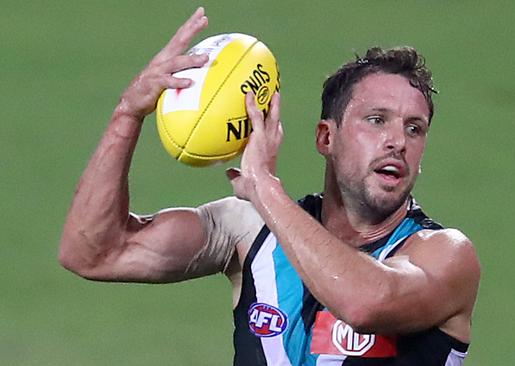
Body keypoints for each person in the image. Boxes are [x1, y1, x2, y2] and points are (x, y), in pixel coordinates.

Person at [59, 7, 480, 366]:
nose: (397, 141)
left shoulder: (445, 256)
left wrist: (263, 186)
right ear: (325, 138)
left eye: (414, 128)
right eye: (376, 120)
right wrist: (128, 114)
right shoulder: (249, 231)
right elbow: (93, 252)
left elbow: (364, 303)